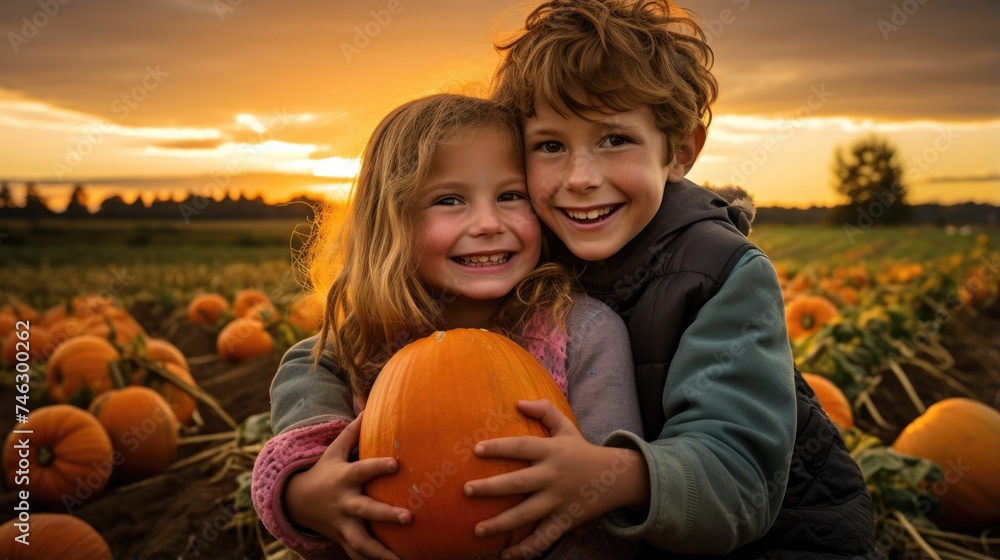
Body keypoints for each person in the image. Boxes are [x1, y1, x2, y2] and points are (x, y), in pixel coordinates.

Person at [460, 0, 880, 558]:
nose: (580, 179)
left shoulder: (722, 275)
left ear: (679, 150)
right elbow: (340, 349)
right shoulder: (518, 248)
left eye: (614, 139)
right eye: (550, 145)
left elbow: (739, 479)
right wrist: (301, 478)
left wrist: (610, 475)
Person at [250, 93, 643, 560]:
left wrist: (596, 480)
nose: (487, 223)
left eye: (510, 196)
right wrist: (300, 488)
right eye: (449, 200)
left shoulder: (583, 331)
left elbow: (608, 490)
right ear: (392, 222)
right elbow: (307, 370)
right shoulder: (369, 334)